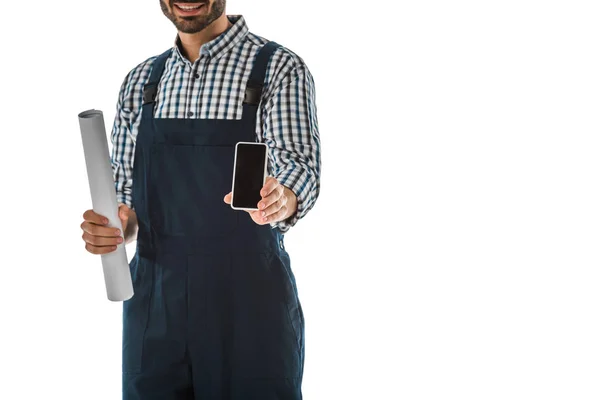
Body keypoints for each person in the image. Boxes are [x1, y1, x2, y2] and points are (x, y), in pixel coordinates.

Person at [79, 1, 321, 398]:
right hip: (156, 304)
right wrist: (116, 227)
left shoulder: (278, 68)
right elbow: (127, 202)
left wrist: (281, 198)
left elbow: (298, 168)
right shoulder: (142, 82)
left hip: (248, 303)